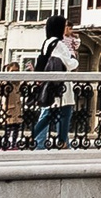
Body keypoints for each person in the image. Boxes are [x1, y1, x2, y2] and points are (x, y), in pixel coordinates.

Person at [31, 14, 77, 149]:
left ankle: (32, 136)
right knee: (66, 110)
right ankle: (62, 142)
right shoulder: (59, 44)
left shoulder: (47, 42)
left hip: (50, 83)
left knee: (50, 113)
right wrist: (74, 59)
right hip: (62, 83)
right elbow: (69, 63)